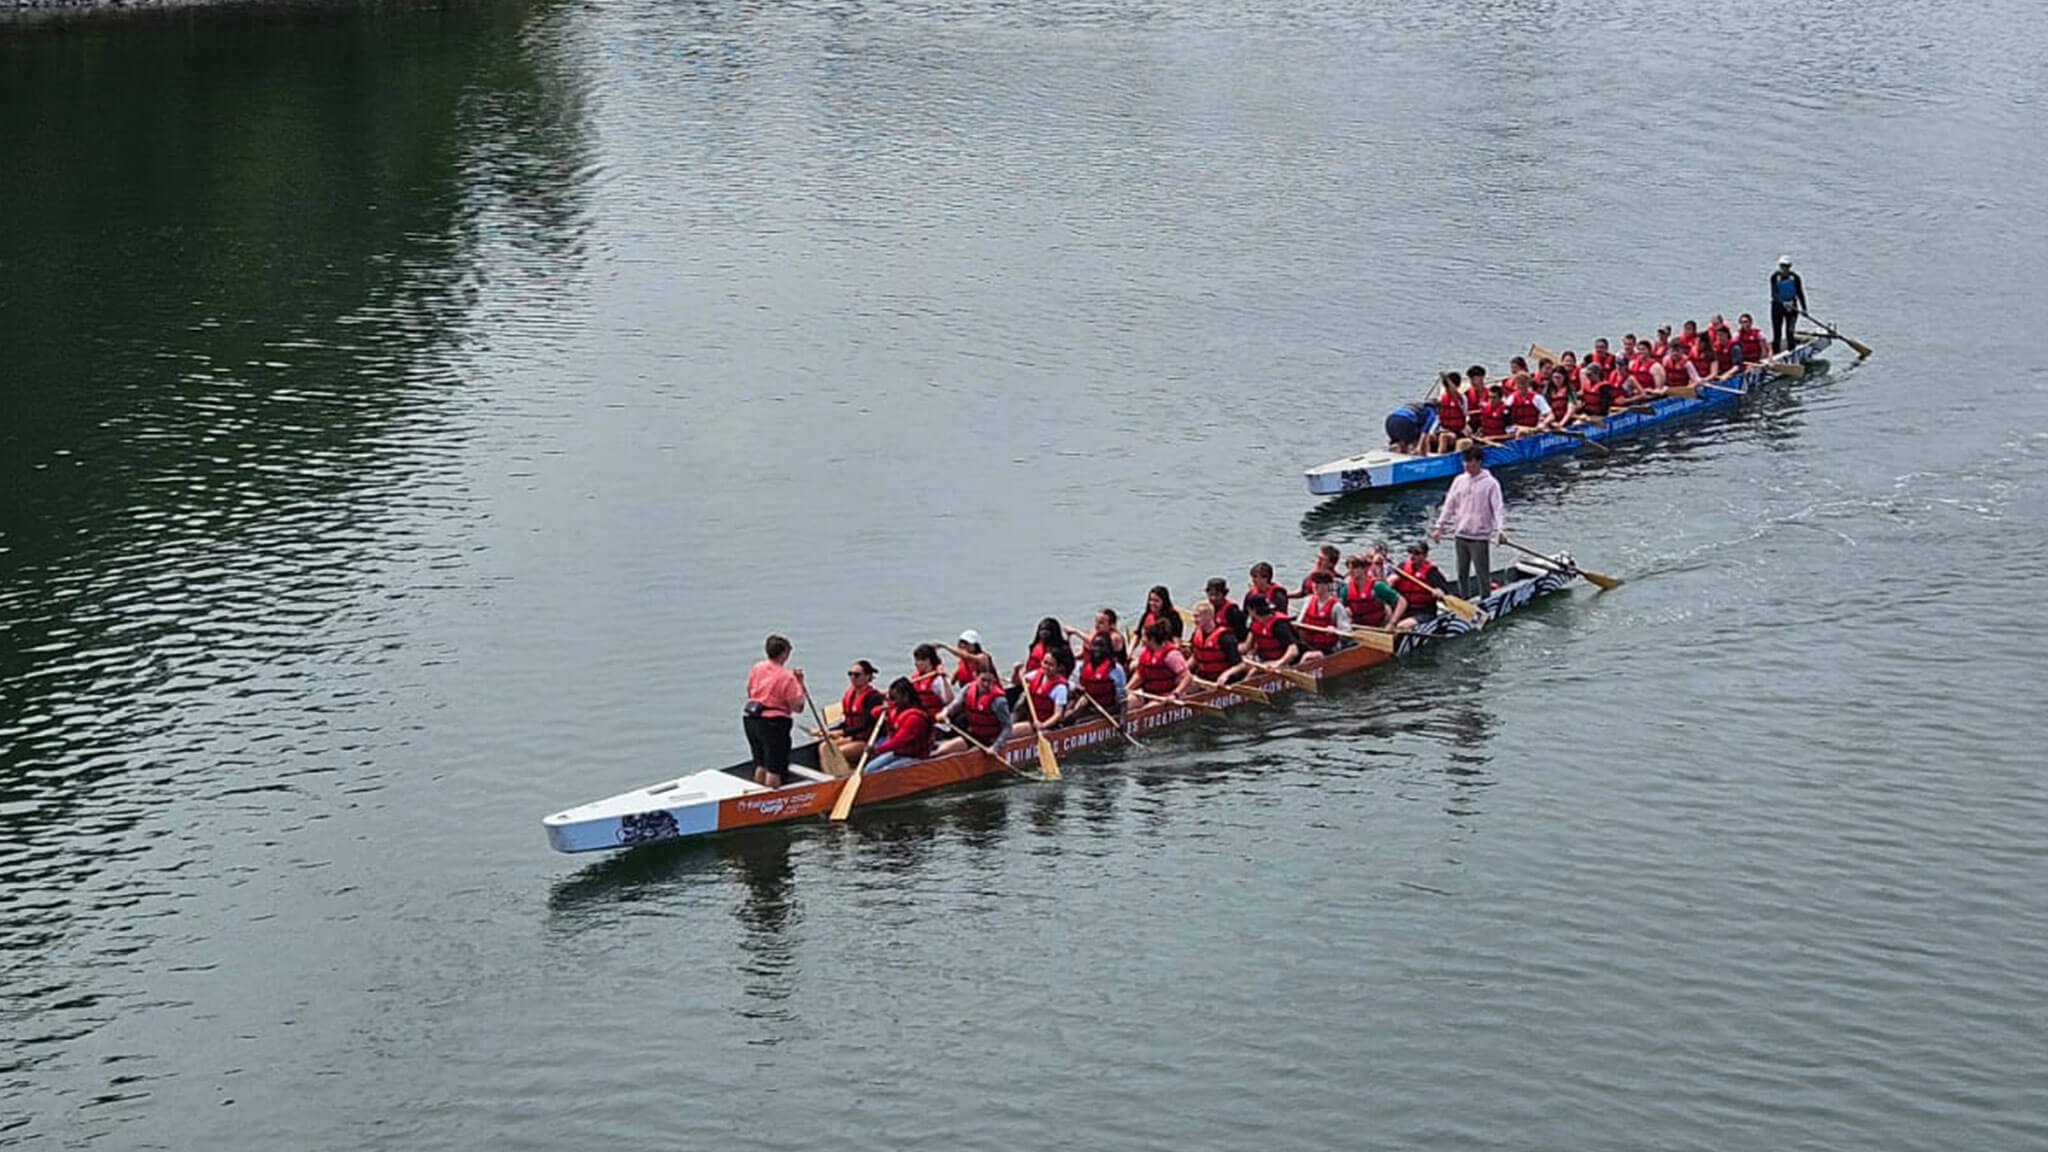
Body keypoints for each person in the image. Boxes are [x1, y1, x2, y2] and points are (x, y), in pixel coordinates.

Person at [1430, 445, 1505, 601]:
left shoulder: (1491, 483)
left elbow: (1498, 508)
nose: (1467, 467)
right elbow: (1449, 505)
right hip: (1461, 534)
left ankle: (1486, 599)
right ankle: (1464, 599)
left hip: (1480, 536)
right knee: (1462, 572)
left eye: (1470, 464)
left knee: (1481, 572)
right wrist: (1439, 526)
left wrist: (1500, 530)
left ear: (1479, 462)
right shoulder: (1459, 481)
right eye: (1465, 463)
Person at [743, 634, 808, 787]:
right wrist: (800, 684)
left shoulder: (757, 667)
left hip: (751, 718)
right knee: (774, 768)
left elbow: (750, 692)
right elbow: (797, 707)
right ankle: (770, 804)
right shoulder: (787, 678)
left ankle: (757, 797)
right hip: (773, 724)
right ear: (784, 653)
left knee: (761, 763)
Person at [820, 658, 886, 765]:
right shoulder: (851, 695)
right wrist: (827, 731)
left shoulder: (873, 698)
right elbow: (847, 722)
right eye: (850, 674)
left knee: (837, 753)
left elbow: (864, 725)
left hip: (867, 741)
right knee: (824, 747)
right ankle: (831, 775)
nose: (852, 678)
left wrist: (841, 733)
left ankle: (838, 777)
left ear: (868, 676)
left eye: (857, 675)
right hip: (853, 737)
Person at [936, 664, 1012, 755]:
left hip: (991, 739)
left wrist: (995, 747)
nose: (986, 684)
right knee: (943, 750)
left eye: (989, 681)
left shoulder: (998, 701)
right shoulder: (968, 688)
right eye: (983, 680)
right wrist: (945, 712)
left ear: (994, 680)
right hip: (974, 735)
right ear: (975, 676)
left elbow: (1007, 727)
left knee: (946, 749)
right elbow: (955, 704)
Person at [862, 678, 935, 772]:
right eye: (891, 698)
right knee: (869, 769)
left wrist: (878, 749)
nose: (893, 702)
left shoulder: (914, 718)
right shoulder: (896, 709)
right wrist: (883, 708)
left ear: (906, 696)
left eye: (895, 698)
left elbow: (899, 741)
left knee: (885, 771)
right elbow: (873, 713)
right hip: (898, 753)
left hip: (915, 757)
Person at [1388, 541, 1452, 630]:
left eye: (1417, 553)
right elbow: (1390, 581)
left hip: (1424, 612)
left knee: (1401, 626)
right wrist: (1390, 581)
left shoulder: (1432, 573)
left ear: (1425, 555)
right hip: (1403, 610)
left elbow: (1445, 592)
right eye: (1411, 552)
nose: (1412, 556)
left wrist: (1440, 592)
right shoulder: (1402, 567)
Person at [1012, 646, 1077, 734]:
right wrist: (1016, 671)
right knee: (1011, 732)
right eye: (1045, 663)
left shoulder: (1060, 688)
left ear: (1058, 668)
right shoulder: (1036, 674)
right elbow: (1016, 682)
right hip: (1034, 723)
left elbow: (1058, 714)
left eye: (1051, 665)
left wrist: (1043, 725)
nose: (1046, 667)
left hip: (1051, 727)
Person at [1185, 600, 1248, 687]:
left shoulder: (1225, 637)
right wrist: (1183, 669)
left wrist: (1226, 674)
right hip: (1205, 679)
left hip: (1224, 681)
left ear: (1208, 616)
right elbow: (1195, 657)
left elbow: (1241, 665)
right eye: (1194, 617)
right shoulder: (1196, 634)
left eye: (1197, 617)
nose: (1194, 620)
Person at [1130, 620, 1194, 701]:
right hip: (1148, 693)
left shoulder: (1172, 655)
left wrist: (1175, 694)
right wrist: (1126, 689)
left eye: (1143, 636)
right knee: (1128, 701)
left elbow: (1187, 678)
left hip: (1166, 695)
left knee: (1150, 708)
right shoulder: (1144, 652)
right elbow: (1139, 675)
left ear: (1152, 639)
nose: (1142, 639)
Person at [1294, 570, 1353, 658]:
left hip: (1329, 648)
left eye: (1318, 583)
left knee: (1308, 656)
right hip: (1309, 644)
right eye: (1314, 582)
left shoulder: (1336, 606)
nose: (1315, 586)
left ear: (1327, 586)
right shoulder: (1308, 600)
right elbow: (1299, 623)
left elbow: (1347, 630)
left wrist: (1335, 629)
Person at [1073, 633, 1128, 716]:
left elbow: (1121, 697)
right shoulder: (1082, 666)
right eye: (1095, 646)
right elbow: (1080, 686)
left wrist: (1121, 717)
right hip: (1090, 705)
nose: (1097, 649)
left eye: (1101, 647)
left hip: (1109, 709)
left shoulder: (1116, 669)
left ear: (1108, 649)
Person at [1343, 552, 1400, 631]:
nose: (1351, 570)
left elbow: (1402, 601)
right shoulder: (1346, 590)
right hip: (1358, 628)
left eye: (1355, 567)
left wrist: (1392, 623)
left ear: (1365, 569)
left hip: (1379, 626)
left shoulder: (1377, 586)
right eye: (1349, 567)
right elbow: (1339, 609)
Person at [1242, 594, 1303, 667]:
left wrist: (1278, 663)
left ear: (1252, 610)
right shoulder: (1256, 624)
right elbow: (1249, 646)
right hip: (1266, 661)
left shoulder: (1279, 625)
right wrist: (1251, 654)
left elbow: (1294, 650)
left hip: (1285, 663)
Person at [1065, 608, 1129, 669]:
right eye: (1096, 621)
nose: (1097, 625)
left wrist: (1075, 631)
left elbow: (1092, 642)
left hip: (1113, 669)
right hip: (1093, 665)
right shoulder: (1097, 632)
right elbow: (1086, 650)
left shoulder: (1115, 637)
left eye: (1101, 623)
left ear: (1111, 625)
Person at [1769, 256, 1806, 353]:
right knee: (1777, 332)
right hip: (1777, 307)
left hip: (1792, 307)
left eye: (1787, 266)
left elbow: (1800, 293)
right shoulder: (1774, 277)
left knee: (1790, 331)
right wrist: (1783, 302)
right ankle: (1776, 353)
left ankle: (1791, 351)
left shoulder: (1795, 277)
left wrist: (1804, 308)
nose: (1785, 268)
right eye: (1783, 266)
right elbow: (1774, 293)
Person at [1429, 371, 1469, 454]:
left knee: (1444, 437)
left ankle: (1440, 458)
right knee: (1427, 436)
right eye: (1446, 387)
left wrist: (1446, 379)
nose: (1447, 389)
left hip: (1457, 432)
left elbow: (1454, 391)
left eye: (1449, 387)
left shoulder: (1461, 399)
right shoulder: (1441, 399)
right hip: (1442, 430)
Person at [908, 644, 954, 713]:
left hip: (935, 716)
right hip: (919, 714)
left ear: (928, 661)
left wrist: (943, 679)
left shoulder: (938, 680)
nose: (915, 663)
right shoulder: (915, 678)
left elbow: (949, 700)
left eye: (918, 660)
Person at [1204, 577, 1249, 642]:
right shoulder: (1205, 609)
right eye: (1211, 595)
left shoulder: (1233, 611)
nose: (1213, 598)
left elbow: (1241, 633)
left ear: (1224, 594)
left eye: (1217, 595)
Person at [1540, 366, 1578, 430]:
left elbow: (1570, 411)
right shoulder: (1547, 390)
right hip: (1552, 421)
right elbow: (1544, 409)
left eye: (1559, 377)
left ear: (1564, 377)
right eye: (1554, 377)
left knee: (1577, 423)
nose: (1556, 380)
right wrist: (1550, 422)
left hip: (1567, 420)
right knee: (1542, 426)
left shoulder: (1570, 390)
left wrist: (1561, 424)